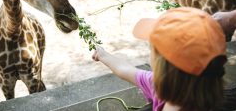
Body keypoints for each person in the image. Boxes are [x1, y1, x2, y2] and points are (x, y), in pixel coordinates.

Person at [92, 7, 227, 111]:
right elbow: (125, 70)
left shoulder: (157, 88)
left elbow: (126, 70)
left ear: (164, 67)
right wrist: (103, 56)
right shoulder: (159, 84)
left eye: (152, 51)